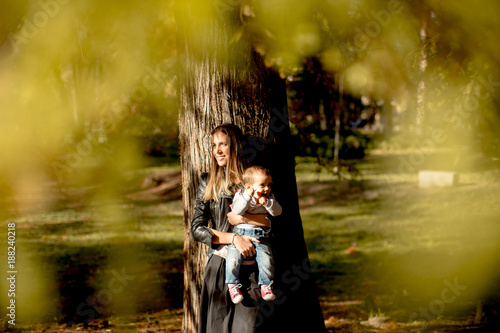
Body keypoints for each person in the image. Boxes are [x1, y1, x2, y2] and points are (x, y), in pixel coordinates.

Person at [190, 123, 270, 333]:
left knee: (249, 328)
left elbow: (270, 223)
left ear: (234, 147)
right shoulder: (207, 181)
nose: (217, 150)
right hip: (219, 268)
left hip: (252, 268)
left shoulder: (253, 181)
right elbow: (197, 228)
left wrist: (243, 221)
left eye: (223, 144)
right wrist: (234, 239)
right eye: (214, 145)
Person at [226, 166, 282, 304]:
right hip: (240, 234)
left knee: (266, 260)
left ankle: (266, 286)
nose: (266, 189)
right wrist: (247, 196)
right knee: (232, 259)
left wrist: (268, 203)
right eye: (262, 185)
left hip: (260, 236)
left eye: (268, 185)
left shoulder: (269, 198)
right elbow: (237, 210)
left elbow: (277, 212)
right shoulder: (241, 195)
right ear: (249, 187)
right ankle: (232, 285)